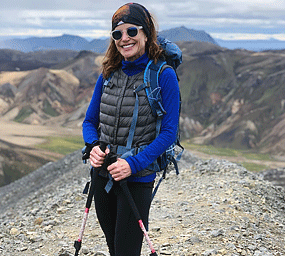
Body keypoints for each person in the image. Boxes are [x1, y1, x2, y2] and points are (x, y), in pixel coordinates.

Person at [82, 3, 180, 255]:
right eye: (118, 34)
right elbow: (89, 122)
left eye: (132, 32)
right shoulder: (108, 73)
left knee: (126, 251)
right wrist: (92, 147)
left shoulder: (163, 75)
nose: (124, 39)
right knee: (115, 249)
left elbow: (169, 133)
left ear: (146, 33)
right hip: (103, 176)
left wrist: (132, 165)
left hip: (136, 180)